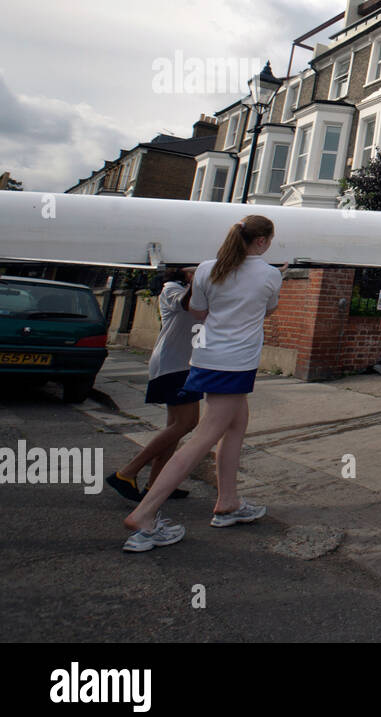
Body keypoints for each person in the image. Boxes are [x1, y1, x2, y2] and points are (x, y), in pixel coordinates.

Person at [123, 216, 284, 551]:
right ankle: (145, 514)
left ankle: (228, 503)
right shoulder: (270, 274)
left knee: (236, 427)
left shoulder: (207, 269)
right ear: (262, 241)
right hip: (235, 365)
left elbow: (198, 310)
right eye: (270, 239)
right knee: (202, 438)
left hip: (208, 358)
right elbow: (268, 310)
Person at [107, 267, 201, 503]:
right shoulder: (172, 289)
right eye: (193, 268)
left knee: (176, 427)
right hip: (171, 366)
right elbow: (184, 305)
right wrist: (201, 277)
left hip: (184, 366)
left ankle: (155, 485)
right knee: (185, 423)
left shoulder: (191, 291)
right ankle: (127, 473)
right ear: (181, 270)